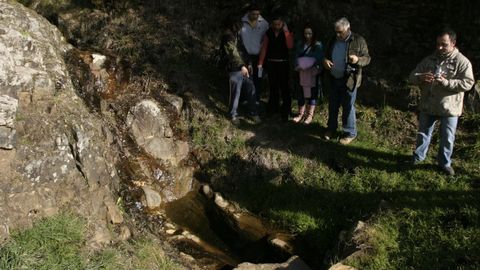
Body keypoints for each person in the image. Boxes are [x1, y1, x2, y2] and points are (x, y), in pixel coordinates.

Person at [408, 29, 474, 176]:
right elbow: (412, 76)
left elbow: (468, 83)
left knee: (447, 138)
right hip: (428, 104)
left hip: (449, 108)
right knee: (423, 133)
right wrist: (420, 78)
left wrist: (446, 83)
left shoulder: (462, 62)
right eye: (438, 44)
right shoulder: (429, 59)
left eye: (444, 45)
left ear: (453, 43)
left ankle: (444, 163)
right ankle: (418, 157)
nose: (439, 48)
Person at [323, 17, 370, 144]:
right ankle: (331, 128)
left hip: (350, 80)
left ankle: (350, 133)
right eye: (336, 32)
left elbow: (367, 58)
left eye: (340, 32)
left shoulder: (358, 40)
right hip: (334, 78)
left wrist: (357, 60)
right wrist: (325, 61)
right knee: (333, 105)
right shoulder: (333, 39)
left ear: (348, 29)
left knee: (348, 107)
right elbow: (326, 55)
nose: (338, 34)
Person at [221, 16, 260, 124]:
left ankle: (253, 112)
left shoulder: (237, 35)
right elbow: (233, 54)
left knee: (251, 87)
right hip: (233, 69)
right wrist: (242, 66)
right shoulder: (227, 37)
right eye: (237, 25)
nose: (240, 27)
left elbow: (243, 50)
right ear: (232, 24)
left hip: (242, 68)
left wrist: (249, 63)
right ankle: (233, 115)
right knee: (235, 92)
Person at [258, 15, 294, 122]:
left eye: (279, 24)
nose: (277, 26)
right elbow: (264, 48)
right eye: (275, 24)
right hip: (271, 64)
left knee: (285, 88)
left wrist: (286, 32)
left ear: (282, 23)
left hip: (283, 64)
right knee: (273, 88)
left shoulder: (287, 32)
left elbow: (290, 46)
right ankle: (273, 110)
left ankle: (285, 112)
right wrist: (260, 62)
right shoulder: (268, 32)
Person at [293, 24, 324, 124]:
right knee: (300, 94)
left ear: (313, 34)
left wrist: (308, 63)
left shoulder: (318, 45)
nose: (308, 35)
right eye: (306, 33)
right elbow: (296, 57)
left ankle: (309, 115)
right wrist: (297, 65)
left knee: (312, 95)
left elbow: (319, 58)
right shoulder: (300, 44)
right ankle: (300, 114)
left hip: (312, 74)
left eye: (310, 33)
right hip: (301, 73)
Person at [240, 3, 269, 103]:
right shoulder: (242, 22)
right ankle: (244, 100)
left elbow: (265, 40)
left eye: (257, 14)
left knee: (258, 78)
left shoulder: (264, 24)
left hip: (258, 56)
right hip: (244, 55)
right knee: (246, 78)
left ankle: (256, 99)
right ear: (248, 13)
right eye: (253, 14)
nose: (255, 16)